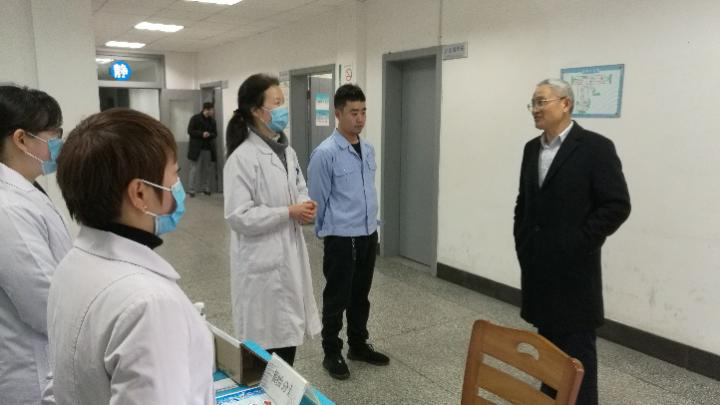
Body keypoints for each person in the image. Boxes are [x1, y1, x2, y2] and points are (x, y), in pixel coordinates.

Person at [46, 108, 214, 404]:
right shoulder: (149, 304)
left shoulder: (72, 265)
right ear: (139, 193)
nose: (177, 185)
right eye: (174, 174)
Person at [514, 79, 631, 404]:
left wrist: (577, 244)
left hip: (575, 275)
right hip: (539, 270)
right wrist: (522, 242)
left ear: (565, 104)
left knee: (578, 364)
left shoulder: (595, 148)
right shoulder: (532, 149)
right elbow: (524, 201)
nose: (535, 109)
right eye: (532, 103)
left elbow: (616, 205)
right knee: (549, 359)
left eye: (541, 101)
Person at [223, 73, 320, 366]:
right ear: (257, 110)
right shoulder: (242, 158)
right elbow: (238, 216)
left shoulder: (286, 152)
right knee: (266, 355)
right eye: (276, 103)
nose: (282, 110)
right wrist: (288, 212)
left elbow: (299, 187)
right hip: (261, 269)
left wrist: (304, 205)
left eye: (282, 102)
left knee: (286, 348)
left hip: (288, 256)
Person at [307, 84, 389, 380]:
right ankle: (331, 352)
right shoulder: (325, 153)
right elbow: (317, 200)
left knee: (360, 296)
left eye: (363, 111)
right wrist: (329, 233)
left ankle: (358, 344)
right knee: (336, 297)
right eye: (354, 112)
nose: (360, 118)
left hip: (367, 233)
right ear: (338, 113)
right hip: (341, 238)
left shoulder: (368, 149)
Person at [0, 85, 72, 405]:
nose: (58, 143)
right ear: (21, 139)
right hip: (30, 371)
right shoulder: (8, 208)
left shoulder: (24, 190)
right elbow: (44, 304)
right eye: (53, 133)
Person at [187, 102, 218, 197]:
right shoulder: (195, 118)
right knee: (193, 169)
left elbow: (215, 133)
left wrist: (209, 134)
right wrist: (201, 134)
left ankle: (206, 188)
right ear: (206, 109)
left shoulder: (212, 121)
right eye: (212, 110)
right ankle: (191, 190)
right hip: (196, 148)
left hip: (208, 148)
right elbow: (190, 131)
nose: (213, 112)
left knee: (207, 169)